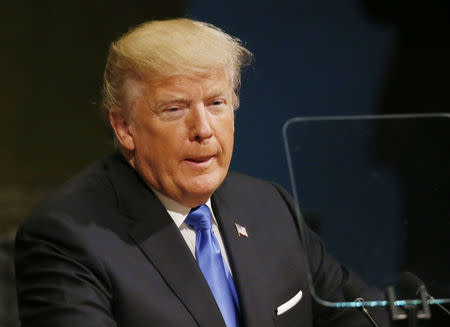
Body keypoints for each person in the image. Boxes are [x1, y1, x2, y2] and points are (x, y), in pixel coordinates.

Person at [14, 18, 390, 327]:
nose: (203, 129)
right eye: (175, 109)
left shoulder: (268, 206)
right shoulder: (67, 239)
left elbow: (360, 314)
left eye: (216, 103)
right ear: (125, 127)